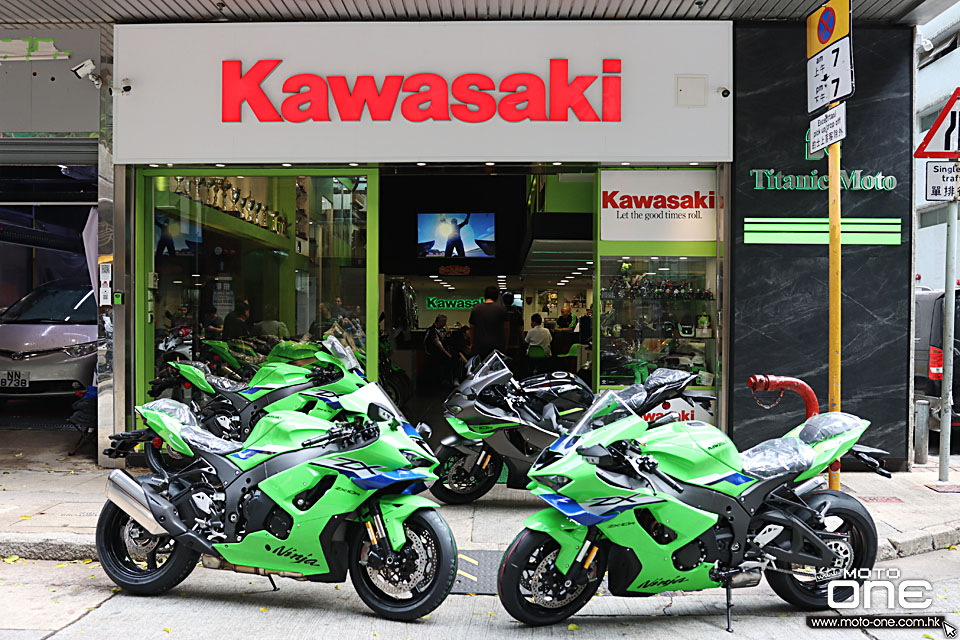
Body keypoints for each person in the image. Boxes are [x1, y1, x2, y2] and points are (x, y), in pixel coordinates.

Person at [468, 285, 509, 358]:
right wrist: (505, 344)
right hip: (498, 345)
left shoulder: (476, 309)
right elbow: (506, 328)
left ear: (484, 296)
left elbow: (472, 328)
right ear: (497, 297)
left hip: (480, 345)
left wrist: (472, 343)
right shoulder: (502, 309)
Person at [424, 314, 454, 385]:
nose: (445, 324)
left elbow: (441, 340)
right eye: (444, 322)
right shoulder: (431, 330)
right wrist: (447, 353)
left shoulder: (440, 330)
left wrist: (446, 335)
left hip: (439, 352)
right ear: (440, 322)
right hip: (434, 353)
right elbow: (437, 343)